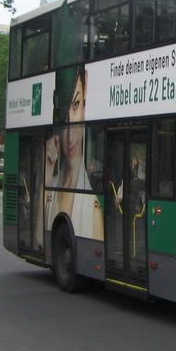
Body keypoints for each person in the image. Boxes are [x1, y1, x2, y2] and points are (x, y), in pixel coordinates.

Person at [44, 65, 103, 240]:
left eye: (76, 105)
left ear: (86, 96)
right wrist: (46, 172)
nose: (70, 138)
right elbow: (39, 240)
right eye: (64, 115)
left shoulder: (93, 209)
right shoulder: (51, 185)